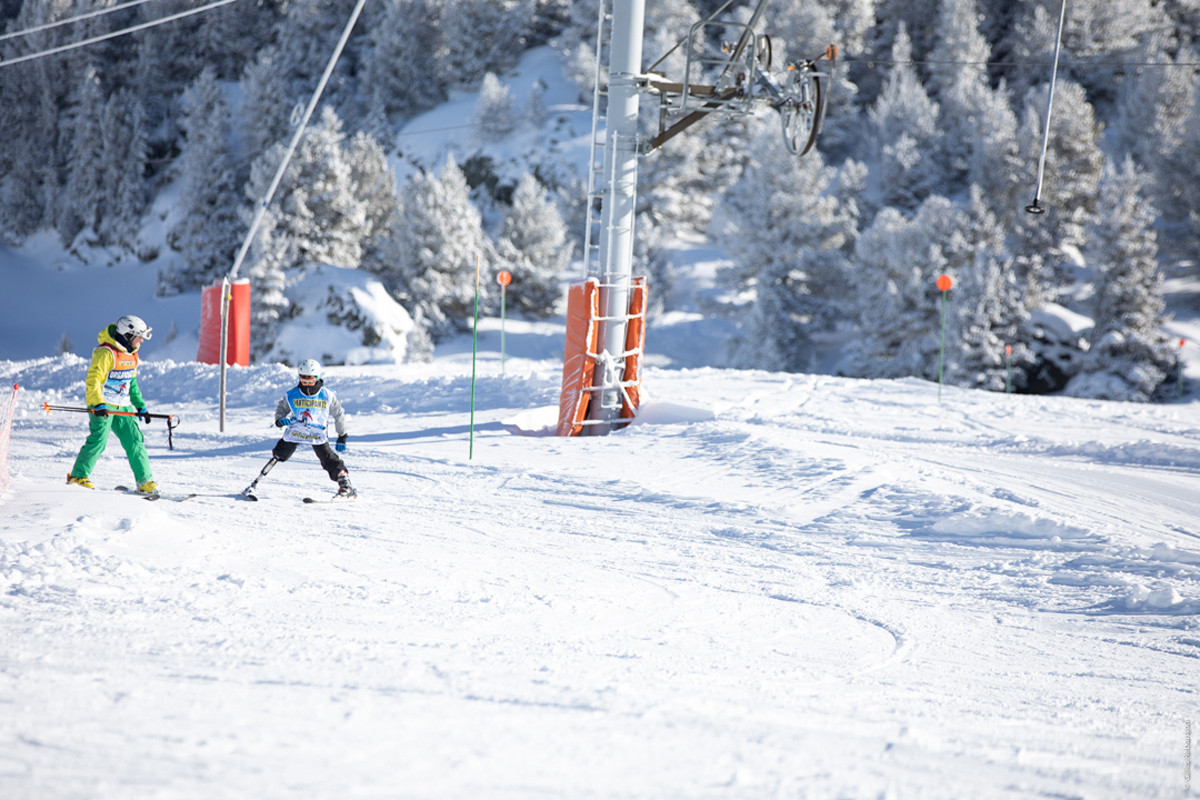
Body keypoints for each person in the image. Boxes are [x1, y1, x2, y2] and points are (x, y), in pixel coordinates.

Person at [67, 315, 158, 493]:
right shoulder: (106, 353)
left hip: (123, 406)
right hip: (103, 406)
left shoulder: (132, 356)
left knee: (135, 441)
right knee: (98, 441)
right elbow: (93, 380)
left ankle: (145, 481)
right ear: (128, 335)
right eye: (139, 337)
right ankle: (78, 476)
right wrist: (97, 404)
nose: (141, 341)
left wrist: (140, 406)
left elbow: (131, 384)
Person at [271, 359, 356, 498]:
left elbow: (339, 414)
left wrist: (342, 435)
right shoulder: (292, 394)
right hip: (297, 431)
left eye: (311, 380)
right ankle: (256, 482)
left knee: (329, 459)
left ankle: (346, 485)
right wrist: (280, 420)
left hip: (317, 434)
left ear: (317, 378)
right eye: (304, 380)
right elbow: (281, 409)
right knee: (280, 453)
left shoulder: (327, 395)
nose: (307, 383)